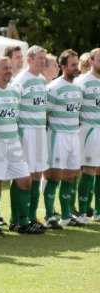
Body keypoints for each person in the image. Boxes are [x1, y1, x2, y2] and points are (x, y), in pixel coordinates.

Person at [0, 57, 44, 234]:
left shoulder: (15, 91)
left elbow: (15, 118)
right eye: (5, 68)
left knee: (25, 179)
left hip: (14, 142)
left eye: (10, 68)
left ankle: (21, 221)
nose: (9, 71)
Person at [44, 49, 84, 228]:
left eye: (77, 64)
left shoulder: (78, 87)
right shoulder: (53, 87)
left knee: (71, 175)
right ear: (62, 66)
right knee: (54, 175)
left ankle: (67, 215)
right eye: (73, 65)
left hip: (74, 135)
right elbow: (46, 113)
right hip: (57, 135)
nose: (77, 68)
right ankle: (49, 215)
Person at [11, 45, 48, 229]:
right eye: (40, 58)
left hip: (40, 131)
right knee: (22, 174)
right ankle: (17, 218)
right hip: (26, 132)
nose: (44, 61)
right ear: (30, 59)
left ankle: (32, 216)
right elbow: (15, 110)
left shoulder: (42, 80)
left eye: (45, 58)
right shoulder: (20, 80)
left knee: (37, 173)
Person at [75, 48, 100, 223]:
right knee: (89, 169)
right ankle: (83, 212)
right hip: (89, 130)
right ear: (91, 61)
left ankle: (98, 211)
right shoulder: (82, 81)